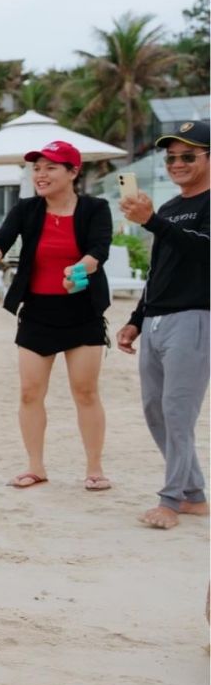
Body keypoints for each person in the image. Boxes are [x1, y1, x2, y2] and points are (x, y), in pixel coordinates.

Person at [0, 140, 113, 491]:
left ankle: (95, 468)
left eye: (51, 167)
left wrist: (79, 268)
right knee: (30, 392)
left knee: (85, 391)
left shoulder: (95, 208)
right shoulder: (27, 209)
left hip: (82, 311)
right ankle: (36, 467)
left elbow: (99, 250)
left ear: (73, 172)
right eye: (37, 167)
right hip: (37, 312)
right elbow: (1, 240)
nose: (41, 174)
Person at [117, 119, 210, 529]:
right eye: (171, 157)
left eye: (188, 155)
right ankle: (193, 495)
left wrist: (153, 222)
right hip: (156, 320)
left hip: (195, 317)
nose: (177, 163)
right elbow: (160, 269)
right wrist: (136, 319)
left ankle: (170, 502)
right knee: (156, 410)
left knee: (177, 412)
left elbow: (203, 251)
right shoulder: (170, 208)